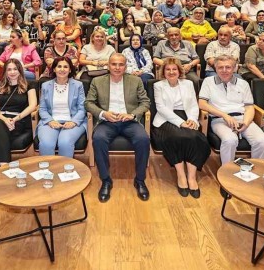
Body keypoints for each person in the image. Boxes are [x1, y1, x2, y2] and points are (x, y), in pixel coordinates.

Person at [86, 54, 151, 202]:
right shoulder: (97, 81)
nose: (117, 67)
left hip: (129, 121)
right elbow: (88, 103)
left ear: (125, 66)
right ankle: (106, 180)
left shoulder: (135, 81)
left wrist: (132, 115)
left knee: (143, 139)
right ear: (108, 65)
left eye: (121, 64)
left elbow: (145, 102)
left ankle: (140, 180)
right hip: (107, 122)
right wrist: (103, 113)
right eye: (114, 64)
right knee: (98, 138)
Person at [0, 59, 38, 206]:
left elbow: (32, 105)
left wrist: (15, 119)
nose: (12, 72)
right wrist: (4, 119)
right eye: (9, 69)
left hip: (18, 121)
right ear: (5, 71)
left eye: (15, 69)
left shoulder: (30, 85)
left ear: (20, 70)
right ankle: (5, 164)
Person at [153, 57, 210, 198]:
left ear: (180, 71)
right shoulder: (158, 85)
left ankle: (191, 176)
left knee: (196, 138)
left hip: (187, 116)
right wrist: (181, 123)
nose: (171, 72)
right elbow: (161, 108)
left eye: (174, 69)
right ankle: (180, 175)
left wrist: (191, 119)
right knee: (177, 136)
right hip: (165, 120)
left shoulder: (188, 83)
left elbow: (192, 105)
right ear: (163, 72)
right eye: (168, 69)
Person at [199, 55, 264, 166]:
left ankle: (255, 170)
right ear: (215, 68)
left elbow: (249, 107)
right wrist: (225, 116)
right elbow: (202, 103)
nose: (224, 70)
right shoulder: (208, 81)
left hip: (242, 118)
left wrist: (246, 123)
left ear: (234, 68)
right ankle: (227, 172)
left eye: (228, 67)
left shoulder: (243, 83)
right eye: (220, 67)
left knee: (262, 142)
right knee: (230, 140)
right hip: (220, 119)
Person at [37, 57, 87, 157]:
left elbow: (82, 108)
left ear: (70, 70)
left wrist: (73, 122)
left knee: (65, 143)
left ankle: (66, 171)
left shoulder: (78, 85)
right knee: (46, 144)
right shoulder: (46, 85)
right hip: (50, 121)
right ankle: (48, 171)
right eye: (59, 66)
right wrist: (50, 121)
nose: (62, 69)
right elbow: (42, 109)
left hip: (73, 121)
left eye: (65, 67)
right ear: (54, 69)